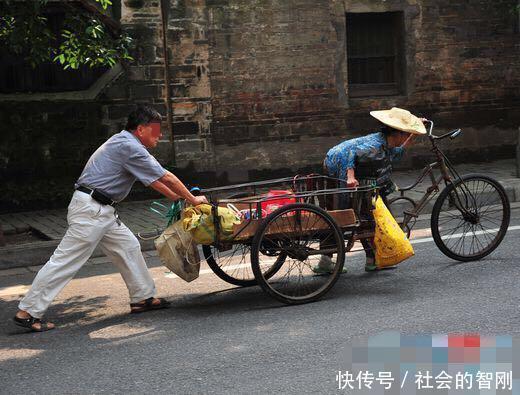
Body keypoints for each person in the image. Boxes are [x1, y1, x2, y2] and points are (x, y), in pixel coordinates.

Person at [13, 105, 208, 332]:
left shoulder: (124, 142)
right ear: (141, 129)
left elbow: (154, 180)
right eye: (156, 129)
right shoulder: (129, 147)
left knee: (128, 247)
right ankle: (27, 311)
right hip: (92, 211)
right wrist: (193, 200)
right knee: (65, 261)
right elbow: (166, 176)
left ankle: (142, 298)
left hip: (100, 210)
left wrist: (178, 198)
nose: (160, 135)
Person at [313, 107, 426, 274]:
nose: (405, 137)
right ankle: (339, 260)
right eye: (405, 133)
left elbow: (399, 152)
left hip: (343, 162)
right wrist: (350, 177)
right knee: (347, 214)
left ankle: (364, 259)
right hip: (337, 161)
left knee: (362, 211)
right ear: (396, 134)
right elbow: (352, 153)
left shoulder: (386, 144)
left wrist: (414, 133)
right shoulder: (376, 146)